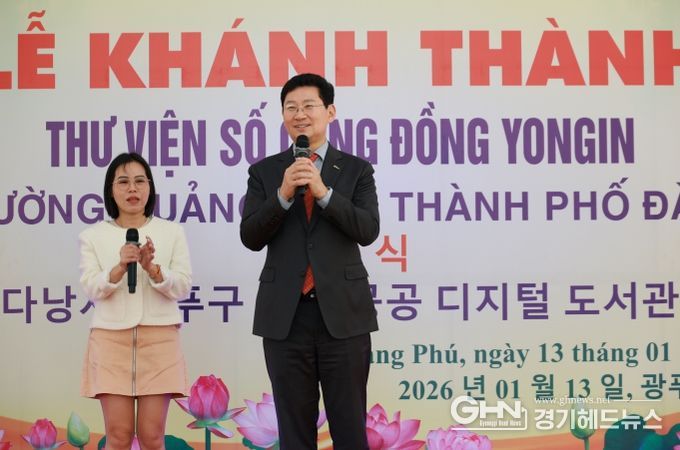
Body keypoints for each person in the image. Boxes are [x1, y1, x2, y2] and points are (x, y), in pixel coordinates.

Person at [240, 73, 380, 449]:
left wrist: (323, 192)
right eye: (291, 107)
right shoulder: (265, 172)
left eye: (308, 106)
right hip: (286, 319)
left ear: (330, 111)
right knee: (295, 432)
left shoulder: (356, 170)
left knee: (349, 430)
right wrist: (283, 194)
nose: (299, 114)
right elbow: (250, 236)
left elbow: (367, 229)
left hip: (343, 317)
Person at [79, 153, 192, 450]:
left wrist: (153, 269)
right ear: (111, 190)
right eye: (123, 182)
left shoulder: (171, 232)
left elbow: (183, 286)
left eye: (140, 181)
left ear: (150, 188)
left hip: (159, 341)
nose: (132, 188)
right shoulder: (93, 236)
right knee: (118, 436)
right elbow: (91, 287)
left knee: (152, 437)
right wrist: (119, 267)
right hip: (110, 341)